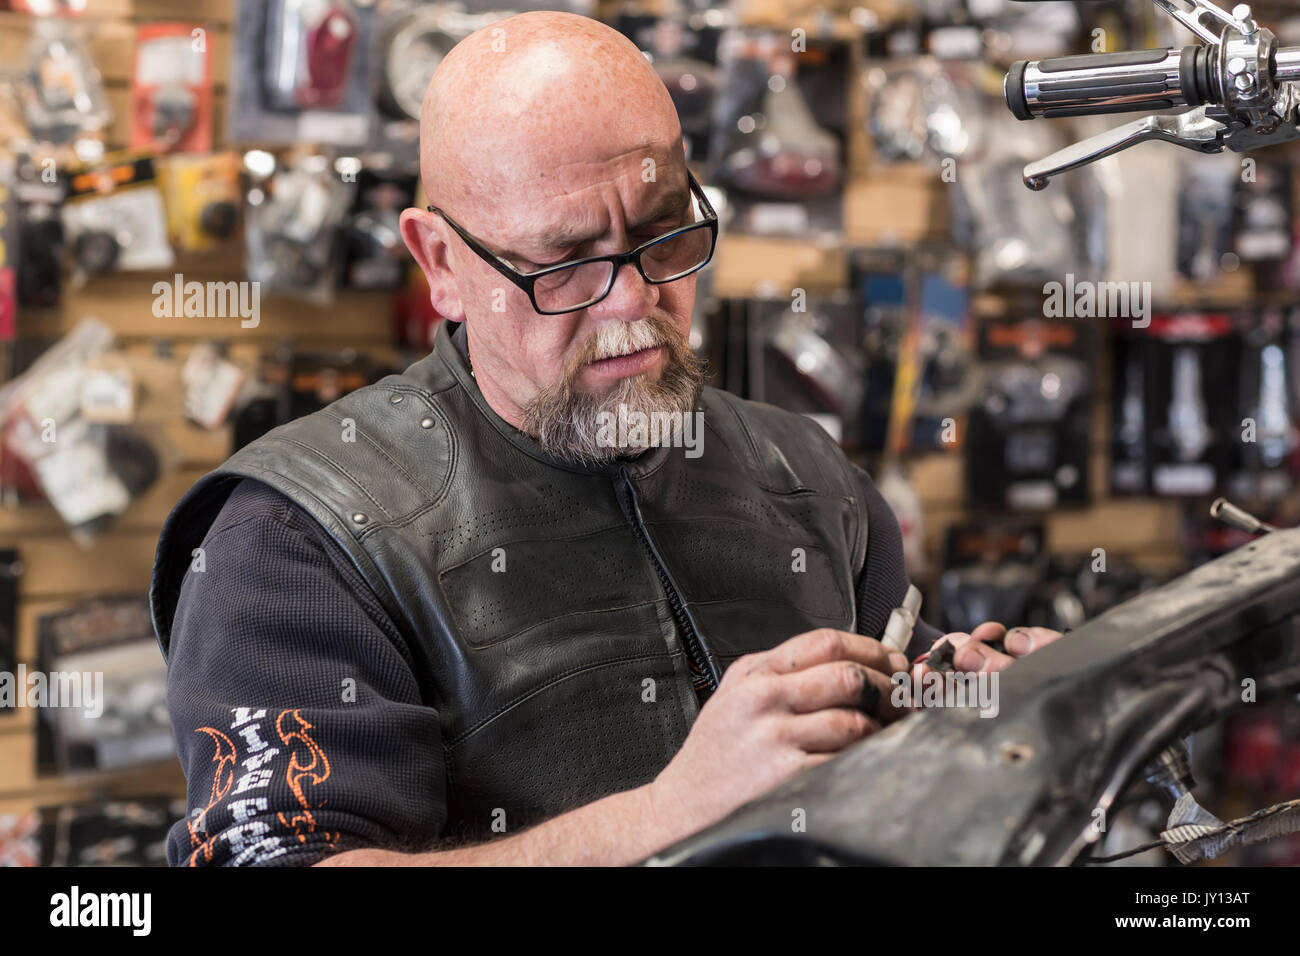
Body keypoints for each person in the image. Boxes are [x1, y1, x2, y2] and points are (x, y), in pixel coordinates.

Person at [150, 10, 1060, 867]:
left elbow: (899, 746)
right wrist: (666, 815)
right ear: (441, 263)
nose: (633, 304)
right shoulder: (293, 538)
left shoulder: (809, 474)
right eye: (565, 261)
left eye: (664, 237)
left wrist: (980, 710)